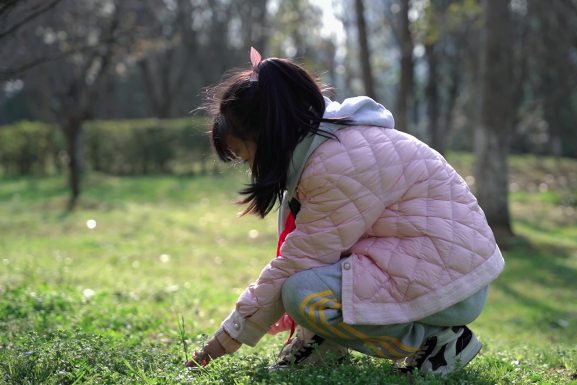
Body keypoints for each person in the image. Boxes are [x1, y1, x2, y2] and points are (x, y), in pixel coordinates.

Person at [185, 48, 505, 376]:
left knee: (303, 293)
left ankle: (437, 342)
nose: (251, 167)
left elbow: (298, 262)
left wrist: (228, 336)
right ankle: (324, 344)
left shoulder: (335, 164)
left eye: (245, 155)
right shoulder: (332, 146)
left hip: (449, 285)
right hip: (433, 267)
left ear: (267, 135)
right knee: (310, 278)